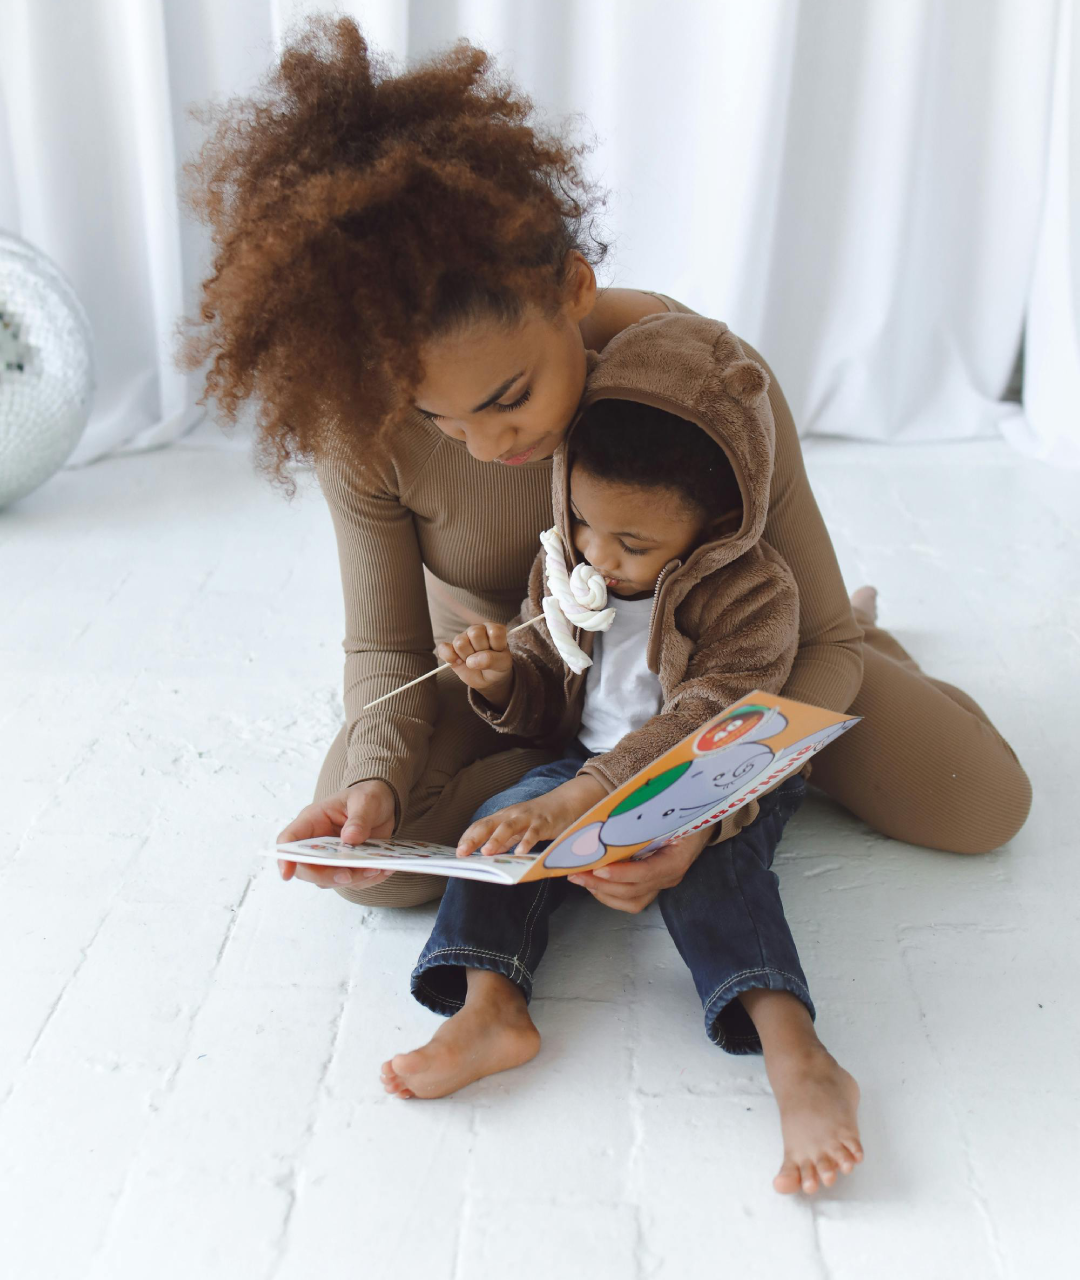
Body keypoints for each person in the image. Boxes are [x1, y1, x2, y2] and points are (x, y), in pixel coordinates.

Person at [178, 15, 1031, 917]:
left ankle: (849, 656)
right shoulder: (363, 425)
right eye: (441, 418)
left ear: (572, 289)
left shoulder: (699, 379)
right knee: (378, 871)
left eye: (509, 397)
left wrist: (698, 811)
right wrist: (380, 783)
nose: (489, 445)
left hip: (716, 655)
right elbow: (389, 648)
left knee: (980, 809)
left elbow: (813, 645)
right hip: (508, 668)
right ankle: (563, 773)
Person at [381, 313, 863, 1197]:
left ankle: (796, 1048)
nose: (601, 558)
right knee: (493, 832)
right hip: (585, 767)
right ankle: (492, 1009)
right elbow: (548, 700)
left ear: (717, 523)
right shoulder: (568, 563)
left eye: (634, 546)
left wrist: (598, 801)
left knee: (718, 869)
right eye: (586, 524)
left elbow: (715, 712)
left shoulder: (754, 590)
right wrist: (500, 681)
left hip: (718, 773)